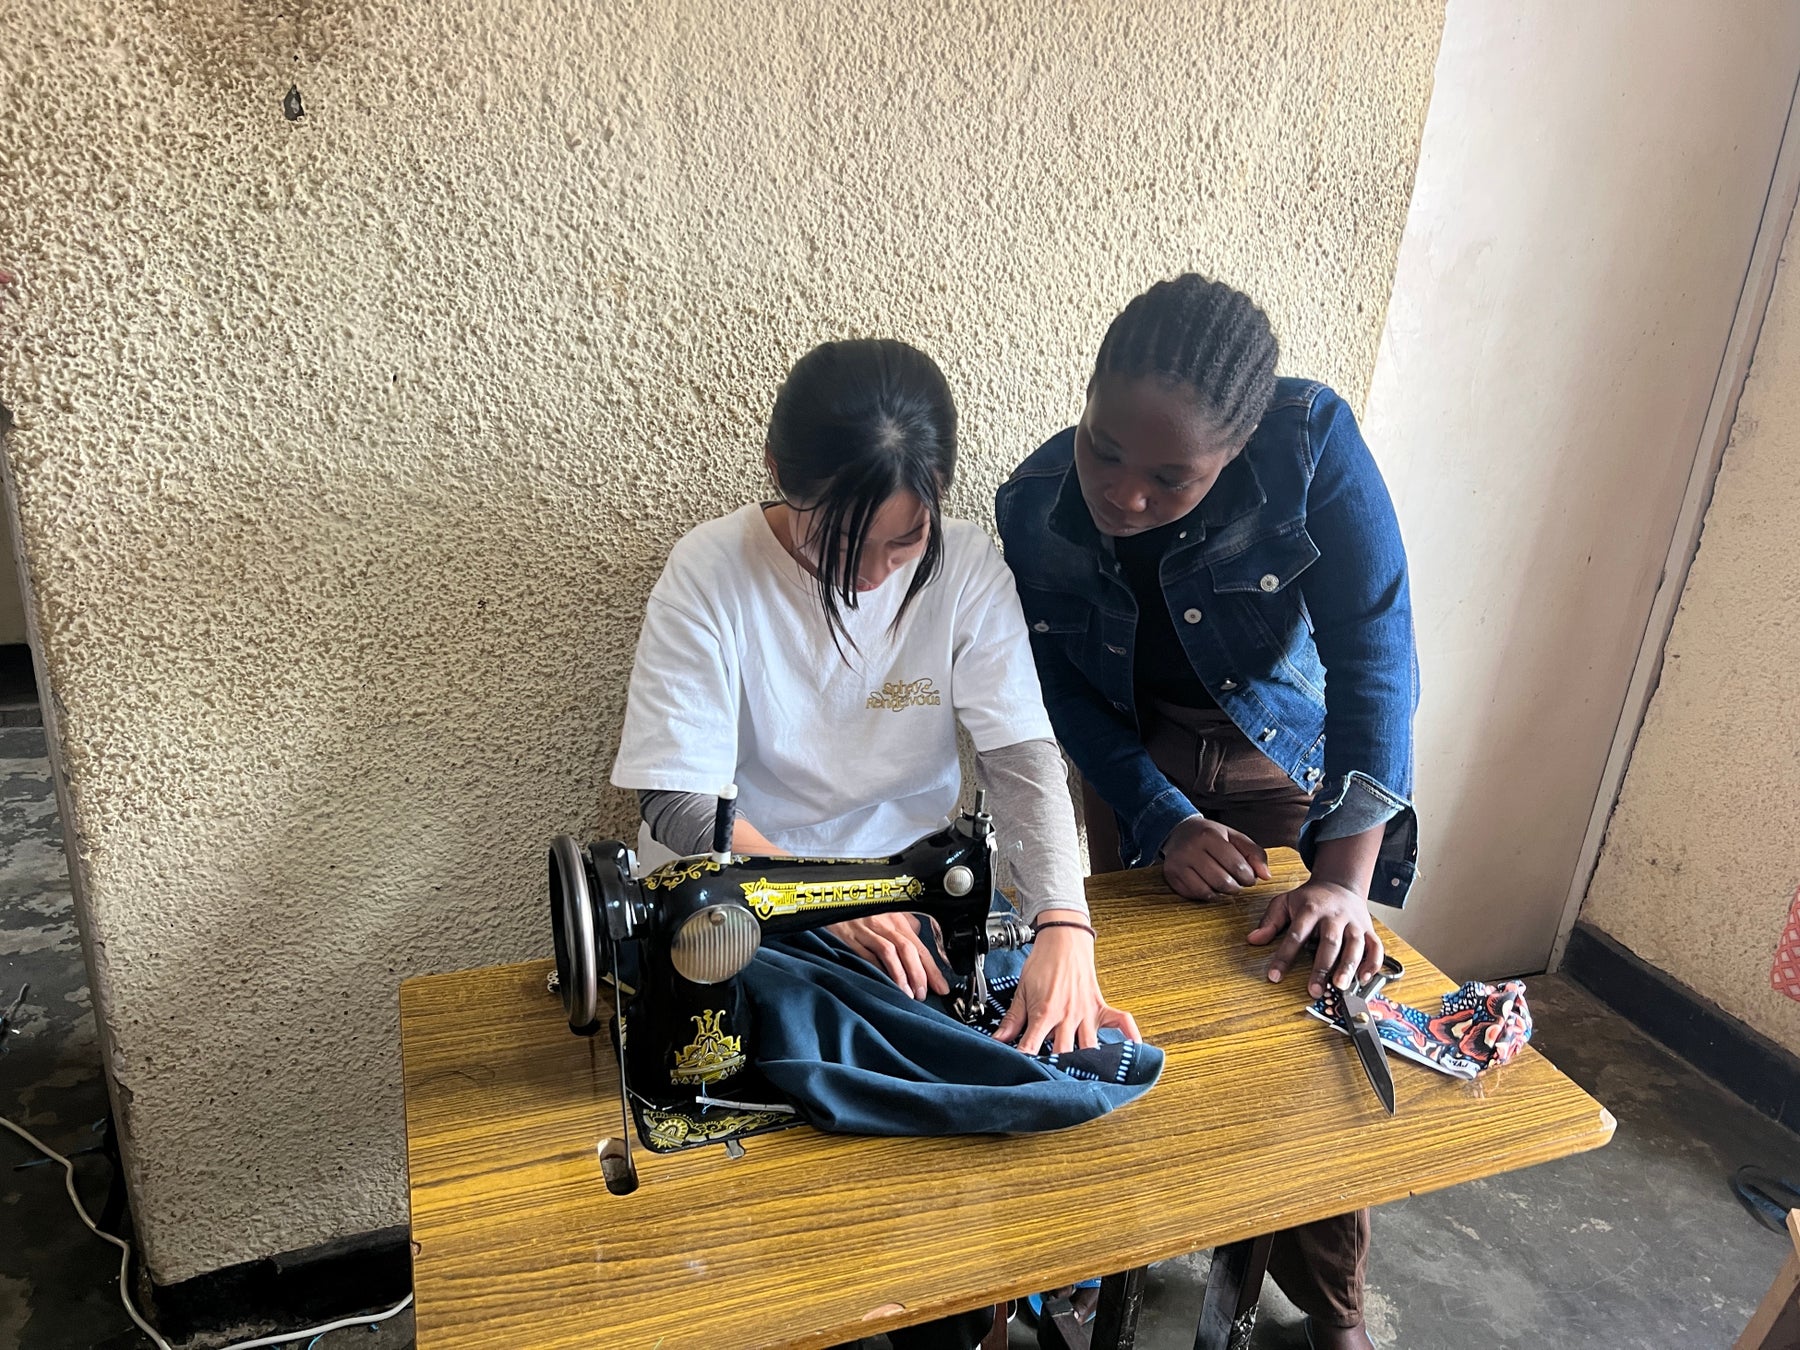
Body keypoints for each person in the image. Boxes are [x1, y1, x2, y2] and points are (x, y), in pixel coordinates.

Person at [611, 336, 1140, 1350]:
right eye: (839, 547)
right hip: (747, 901)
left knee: (1029, 1046)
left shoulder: (968, 567)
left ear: (938, 498)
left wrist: (1066, 924)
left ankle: (962, 1305)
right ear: (778, 473)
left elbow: (1023, 762)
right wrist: (831, 898)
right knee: (851, 1096)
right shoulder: (710, 572)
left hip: (913, 896)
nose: (869, 577)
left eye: (903, 545)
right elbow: (678, 803)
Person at [994, 274, 1418, 1350]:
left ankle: (1333, 1308)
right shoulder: (1029, 504)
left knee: (1313, 1023)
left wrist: (1343, 882)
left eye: (1169, 478)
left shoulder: (1309, 444)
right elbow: (1062, 693)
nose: (1123, 495)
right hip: (1134, 769)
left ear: (1235, 450)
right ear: (1087, 398)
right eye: (1103, 450)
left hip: (1288, 766)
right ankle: (1107, 1256)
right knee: (1120, 1018)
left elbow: (1377, 660)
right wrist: (1161, 815)